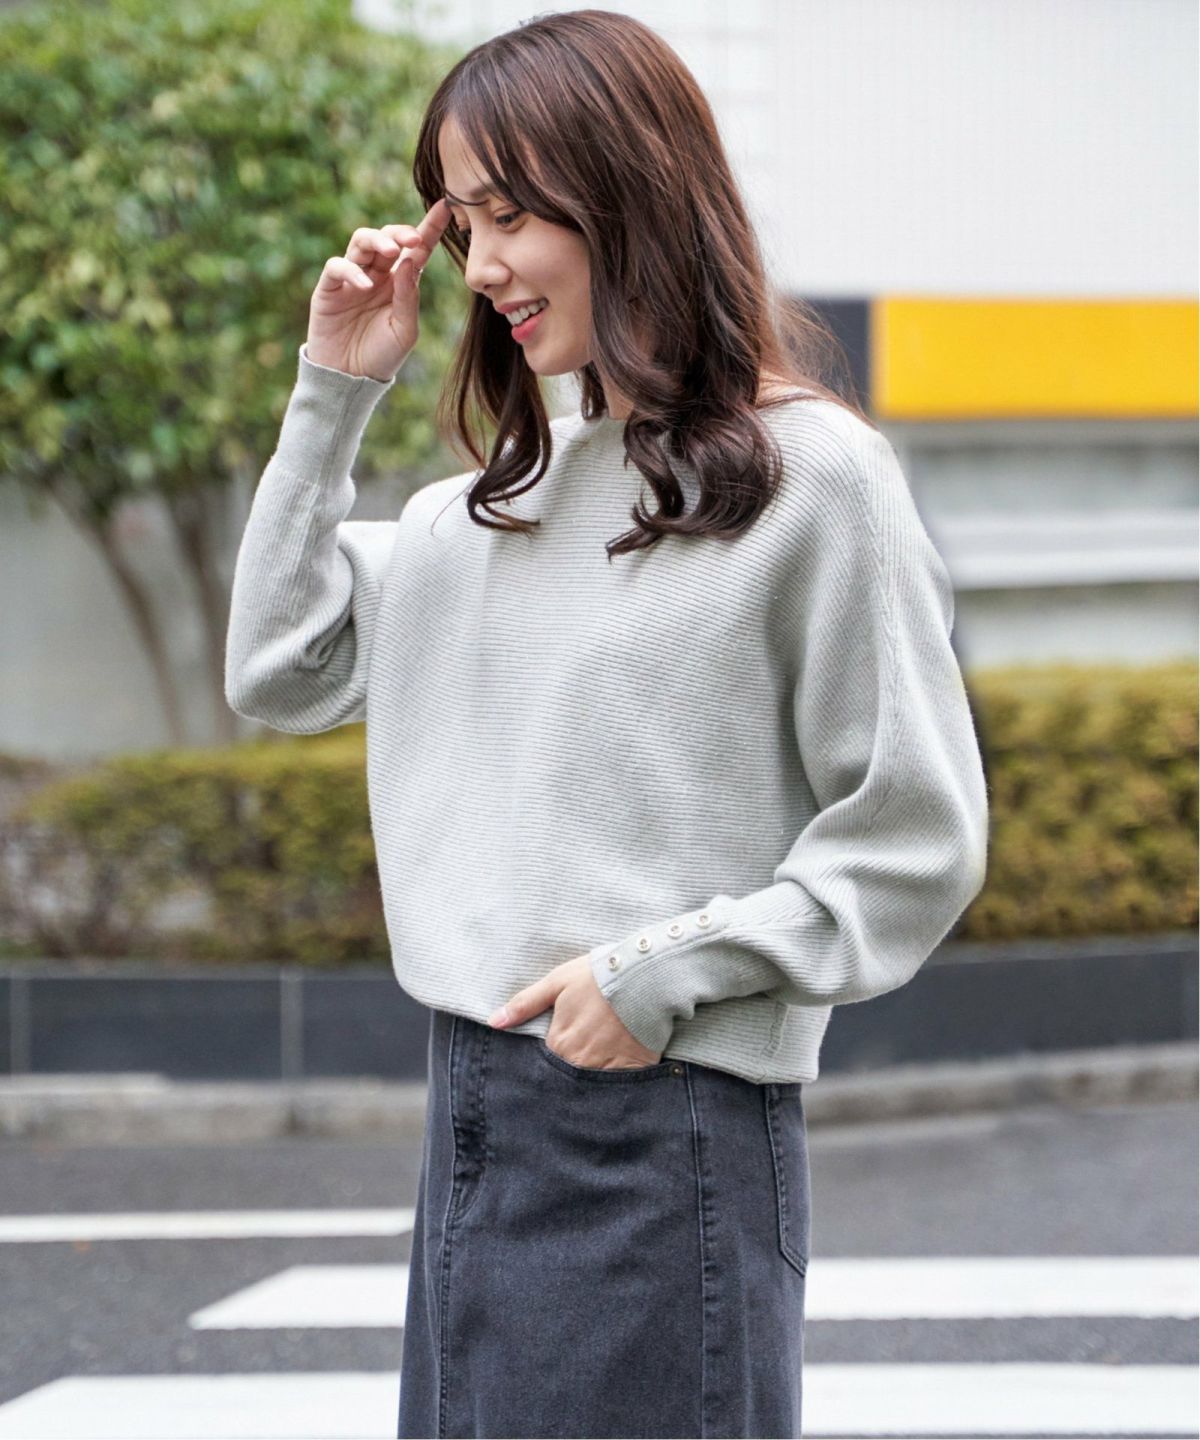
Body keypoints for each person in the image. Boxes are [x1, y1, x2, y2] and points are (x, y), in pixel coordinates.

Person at [224, 10, 990, 1438]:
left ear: (630, 189)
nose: (482, 265)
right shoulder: (480, 515)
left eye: (513, 214)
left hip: (664, 1123)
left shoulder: (813, 479)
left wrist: (657, 977)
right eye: (465, 224)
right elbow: (279, 666)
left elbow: (914, 835)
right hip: (471, 1107)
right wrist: (334, 390)